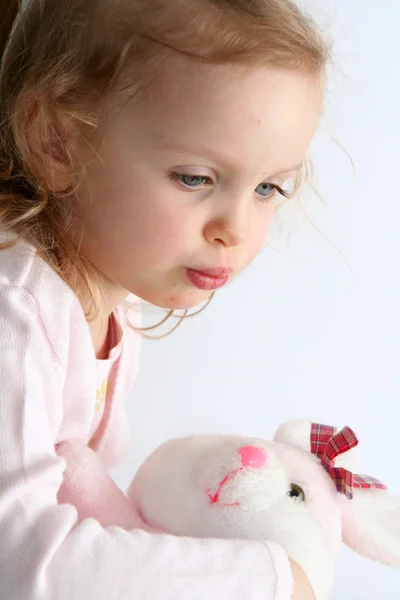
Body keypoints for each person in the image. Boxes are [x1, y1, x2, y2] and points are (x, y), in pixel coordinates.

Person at [0, 1, 329, 598]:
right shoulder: (16, 312)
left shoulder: (114, 304)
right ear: (55, 141)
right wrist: (266, 581)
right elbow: (21, 558)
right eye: (196, 178)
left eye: (268, 187)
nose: (235, 227)